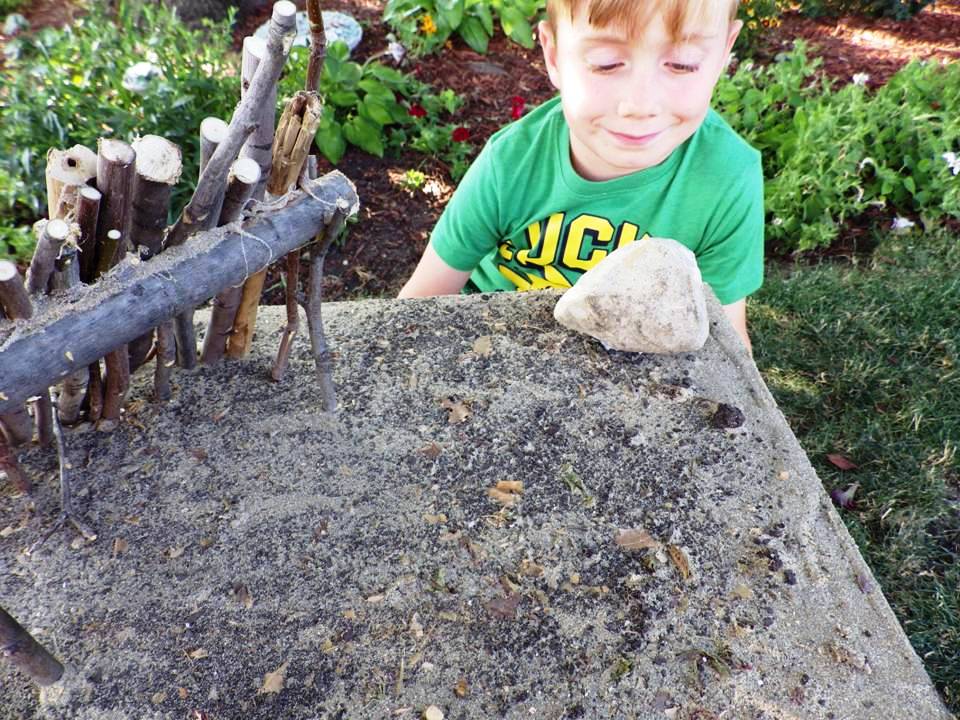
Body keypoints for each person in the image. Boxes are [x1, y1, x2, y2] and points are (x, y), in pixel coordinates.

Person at [398, 0, 763, 354]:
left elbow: (726, 342)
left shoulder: (727, 181)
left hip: (630, 364)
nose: (641, 105)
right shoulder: (509, 165)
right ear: (554, 56)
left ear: (723, 54)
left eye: (683, 64)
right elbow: (416, 308)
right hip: (492, 344)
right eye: (606, 64)